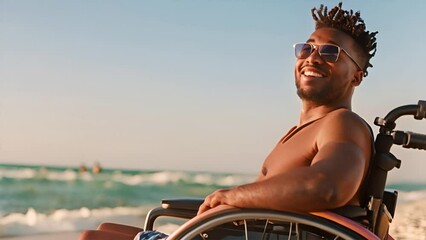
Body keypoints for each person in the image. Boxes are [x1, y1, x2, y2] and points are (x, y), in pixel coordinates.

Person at [79, 2, 378, 240]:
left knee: (91, 238)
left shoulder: (342, 124)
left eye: (330, 52)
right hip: (236, 232)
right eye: (307, 48)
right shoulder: (299, 132)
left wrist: (231, 197)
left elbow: (327, 186)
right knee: (104, 228)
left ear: (356, 76)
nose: (312, 58)